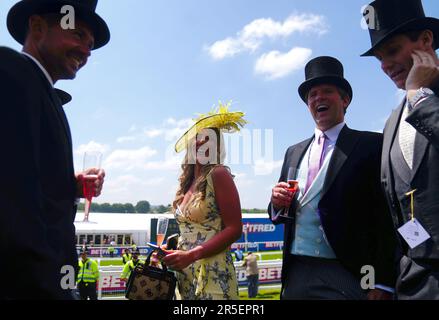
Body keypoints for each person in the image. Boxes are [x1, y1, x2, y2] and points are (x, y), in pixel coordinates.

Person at [0, 0, 109, 299]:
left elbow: (27, 178)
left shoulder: (40, 89)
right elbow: (11, 204)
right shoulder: (11, 72)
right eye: (77, 35)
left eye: (90, 43)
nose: (86, 50)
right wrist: (51, 289)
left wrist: (71, 186)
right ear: (37, 27)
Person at [269, 56, 397, 300]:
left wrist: (382, 281)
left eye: (327, 91)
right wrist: (276, 204)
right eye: (312, 95)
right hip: (297, 272)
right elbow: (281, 213)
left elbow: (386, 216)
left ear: (345, 99)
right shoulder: (293, 152)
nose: (318, 98)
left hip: (349, 272)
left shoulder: (372, 145)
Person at [361, 0, 439, 300]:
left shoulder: (419, 101)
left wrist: (420, 96)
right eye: (379, 58)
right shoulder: (392, 120)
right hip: (412, 281)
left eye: (392, 50)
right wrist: (387, 278)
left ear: (426, 40)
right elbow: (394, 208)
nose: (384, 65)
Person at [162, 104, 246, 300]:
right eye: (198, 138)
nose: (201, 143)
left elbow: (234, 228)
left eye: (208, 139)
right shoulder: (187, 183)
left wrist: (192, 255)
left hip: (213, 274)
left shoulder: (218, 173)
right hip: (184, 276)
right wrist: (171, 252)